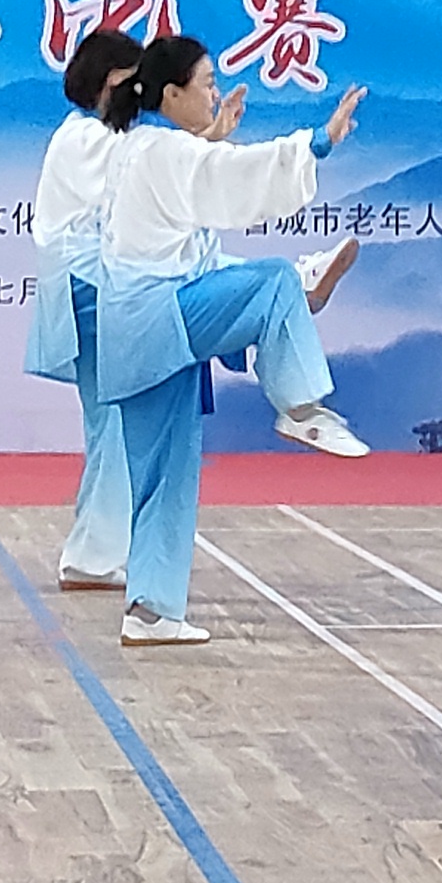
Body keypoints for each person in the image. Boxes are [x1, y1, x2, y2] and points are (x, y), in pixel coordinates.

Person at [88, 32, 372, 648]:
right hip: (162, 321)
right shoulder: (162, 151)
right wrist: (318, 143)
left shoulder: (137, 147)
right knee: (272, 281)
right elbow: (228, 179)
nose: (214, 94)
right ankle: (300, 405)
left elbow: (196, 197)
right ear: (171, 94)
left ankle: (150, 610)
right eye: (207, 84)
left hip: (134, 337)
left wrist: (212, 135)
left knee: (164, 477)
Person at [25, 28, 153, 590]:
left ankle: (97, 551)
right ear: (115, 80)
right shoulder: (85, 138)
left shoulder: (97, 137)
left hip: (101, 287)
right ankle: (93, 555)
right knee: (115, 423)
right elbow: (147, 174)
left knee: (114, 423)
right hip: (91, 289)